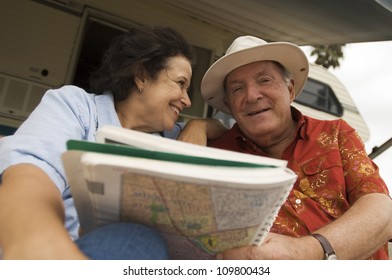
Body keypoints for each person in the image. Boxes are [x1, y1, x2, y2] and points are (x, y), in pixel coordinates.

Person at [0, 25, 212, 260]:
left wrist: (199, 126)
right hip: (57, 253)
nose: (187, 101)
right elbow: (30, 179)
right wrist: (44, 249)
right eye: (180, 83)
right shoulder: (77, 108)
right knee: (134, 236)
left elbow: (224, 127)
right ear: (141, 75)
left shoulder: (173, 137)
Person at [200, 35, 392, 260]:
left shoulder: (335, 134)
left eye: (264, 80)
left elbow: (382, 210)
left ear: (290, 89)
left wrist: (306, 252)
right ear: (229, 107)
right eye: (237, 89)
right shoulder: (217, 156)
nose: (252, 95)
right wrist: (198, 127)